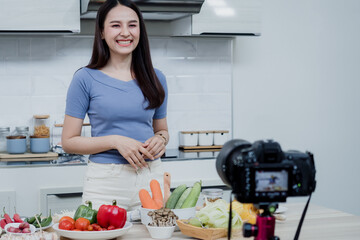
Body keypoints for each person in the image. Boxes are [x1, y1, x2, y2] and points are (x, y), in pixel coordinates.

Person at [61, 0, 169, 211]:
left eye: (132, 24)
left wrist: (161, 139)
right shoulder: (85, 78)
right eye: (115, 25)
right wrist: (115, 141)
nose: (125, 32)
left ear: (140, 30)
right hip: (105, 182)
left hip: (151, 177)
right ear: (102, 32)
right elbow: (69, 141)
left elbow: (163, 130)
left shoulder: (157, 78)